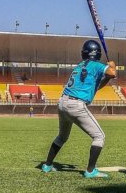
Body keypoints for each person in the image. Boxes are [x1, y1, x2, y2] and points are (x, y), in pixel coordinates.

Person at [41, 39, 117, 178]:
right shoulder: (96, 65)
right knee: (99, 136)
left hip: (63, 102)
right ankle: (90, 171)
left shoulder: (81, 65)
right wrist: (113, 66)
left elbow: (97, 86)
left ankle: (47, 165)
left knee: (62, 137)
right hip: (76, 105)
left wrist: (107, 78)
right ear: (98, 53)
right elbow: (112, 73)